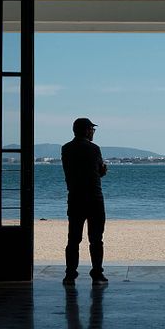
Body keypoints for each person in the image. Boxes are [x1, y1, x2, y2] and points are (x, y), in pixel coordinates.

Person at [61, 117, 109, 285]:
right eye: (92, 130)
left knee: (73, 238)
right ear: (87, 130)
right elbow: (98, 172)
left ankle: (70, 274)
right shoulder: (94, 149)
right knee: (96, 238)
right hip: (94, 198)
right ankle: (96, 273)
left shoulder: (66, 149)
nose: (93, 133)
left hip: (75, 197)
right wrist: (103, 171)